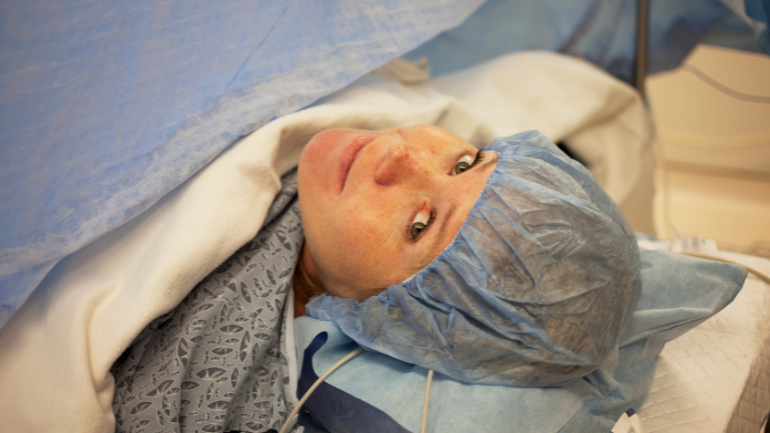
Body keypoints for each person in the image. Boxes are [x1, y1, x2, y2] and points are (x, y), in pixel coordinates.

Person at [110, 125, 640, 432]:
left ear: (393, 317)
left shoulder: (204, 374)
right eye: (464, 164)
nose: (398, 154)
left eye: (418, 224)